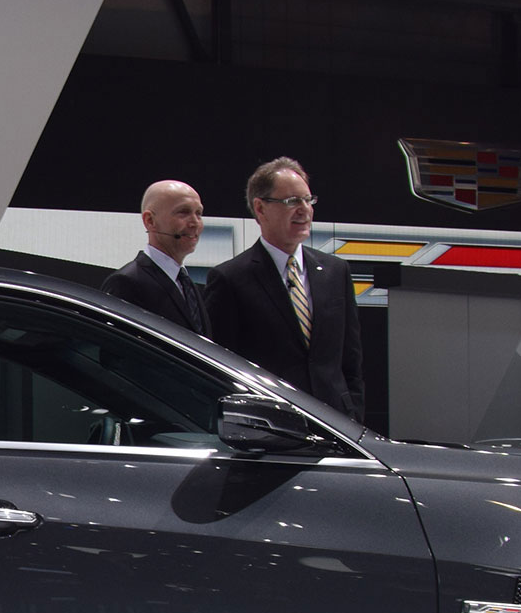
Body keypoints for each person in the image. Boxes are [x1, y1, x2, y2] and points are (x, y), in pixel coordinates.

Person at [204, 156, 366, 422]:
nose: (304, 210)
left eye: (308, 200)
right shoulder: (230, 279)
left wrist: (353, 413)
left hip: (337, 424)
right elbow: (222, 368)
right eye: (292, 201)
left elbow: (351, 360)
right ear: (260, 208)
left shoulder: (336, 271)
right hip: (269, 427)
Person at [100, 179, 209, 333]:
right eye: (183, 212)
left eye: (199, 214)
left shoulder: (187, 284)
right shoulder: (125, 284)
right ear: (150, 221)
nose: (195, 223)